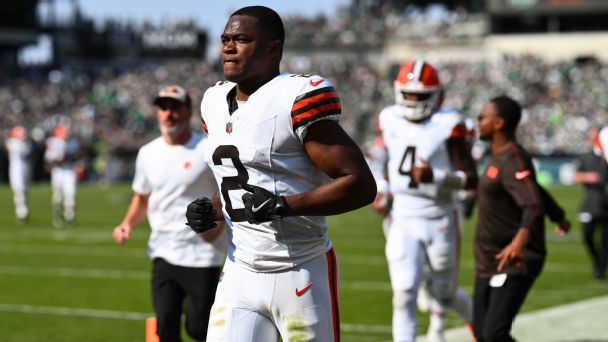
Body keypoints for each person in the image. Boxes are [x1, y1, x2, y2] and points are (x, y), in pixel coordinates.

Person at [184, 6, 376, 341]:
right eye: (225, 39)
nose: (228, 47)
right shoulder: (213, 102)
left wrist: (284, 205)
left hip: (300, 271)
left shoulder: (295, 97)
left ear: (273, 48)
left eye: (241, 39)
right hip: (239, 271)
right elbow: (239, 179)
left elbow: (359, 184)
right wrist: (213, 209)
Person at [369, 60, 478, 342]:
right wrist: (382, 188)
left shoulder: (450, 124)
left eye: (421, 95)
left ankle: (481, 326)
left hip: (440, 215)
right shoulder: (389, 117)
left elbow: (471, 179)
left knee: (445, 293)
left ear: (436, 95)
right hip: (403, 216)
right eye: (409, 93)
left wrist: (437, 177)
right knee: (404, 292)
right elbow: (381, 159)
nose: (414, 100)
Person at [112, 85, 227, 342]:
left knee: (200, 329)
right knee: (165, 330)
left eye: (175, 107)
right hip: (162, 252)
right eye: (163, 108)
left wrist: (216, 225)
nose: (169, 113)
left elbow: (225, 192)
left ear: (188, 112)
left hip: (202, 254)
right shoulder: (147, 153)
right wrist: (127, 224)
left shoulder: (206, 149)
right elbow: (141, 197)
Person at [473, 95, 571, 342]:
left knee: (494, 334)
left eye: (482, 117)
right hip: (489, 259)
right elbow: (535, 189)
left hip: (515, 260)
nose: (478, 121)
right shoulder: (497, 156)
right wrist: (559, 217)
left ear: (498, 123)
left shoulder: (513, 158)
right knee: (483, 334)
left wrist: (518, 243)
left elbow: (532, 203)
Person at [573, 126, 608, 280]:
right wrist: (589, 177)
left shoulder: (605, 157)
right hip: (591, 203)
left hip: (606, 205)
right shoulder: (586, 156)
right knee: (587, 235)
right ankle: (597, 261)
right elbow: (576, 175)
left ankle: (600, 268)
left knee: (606, 240)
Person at [44, 123, 80, 227]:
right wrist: (57, 159)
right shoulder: (53, 142)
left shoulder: (73, 141)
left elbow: (78, 155)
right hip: (58, 171)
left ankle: (69, 215)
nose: (67, 134)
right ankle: (57, 215)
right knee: (57, 196)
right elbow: (48, 159)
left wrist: (71, 157)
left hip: (69, 170)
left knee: (70, 194)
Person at [5, 125, 32, 223]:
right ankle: (21, 212)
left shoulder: (26, 143)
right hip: (16, 169)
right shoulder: (13, 142)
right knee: (19, 190)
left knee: (25, 191)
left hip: (26, 168)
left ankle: (23, 210)